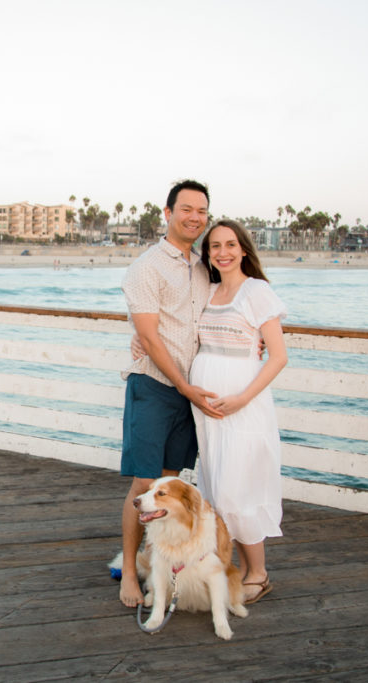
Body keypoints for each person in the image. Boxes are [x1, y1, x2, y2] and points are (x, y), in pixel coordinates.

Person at [117, 179, 221, 608]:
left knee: (171, 487)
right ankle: (127, 569)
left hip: (189, 392)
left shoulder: (205, 265)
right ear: (168, 212)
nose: (195, 217)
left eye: (202, 211)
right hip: (156, 387)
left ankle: (156, 561)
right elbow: (150, 335)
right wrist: (184, 387)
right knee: (145, 484)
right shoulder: (146, 267)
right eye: (187, 209)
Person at [189, 219, 288, 604]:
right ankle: (236, 569)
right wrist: (138, 338)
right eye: (215, 246)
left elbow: (277, 357)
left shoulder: (256, 291)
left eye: (230, 244)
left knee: (238, 489)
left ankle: (258, 574)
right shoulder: (208, 290)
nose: (223, 252)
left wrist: (242, 399)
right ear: (208, 253)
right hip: (208, 408)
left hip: (243, 406)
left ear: (244, 249)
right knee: (216, 488)